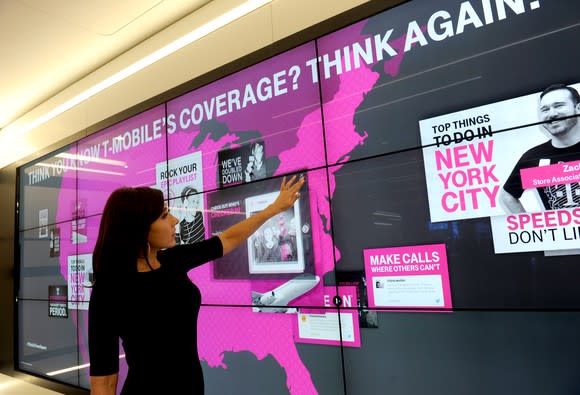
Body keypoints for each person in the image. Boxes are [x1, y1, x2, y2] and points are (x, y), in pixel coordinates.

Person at [88, 175, 304, 395]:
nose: (175, 220)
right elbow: (103, 381)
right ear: (140, 228)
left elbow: (227, 239)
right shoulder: (108, 290)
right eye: (164, 215)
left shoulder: (173, 260)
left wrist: (274, 208)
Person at [499, 84, 580, 213]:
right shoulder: (533, 158)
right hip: (561, 233)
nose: (552, 114)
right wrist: (531, 226)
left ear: (578, 108)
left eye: (559, 105)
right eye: (545, 109)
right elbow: (507, 196)